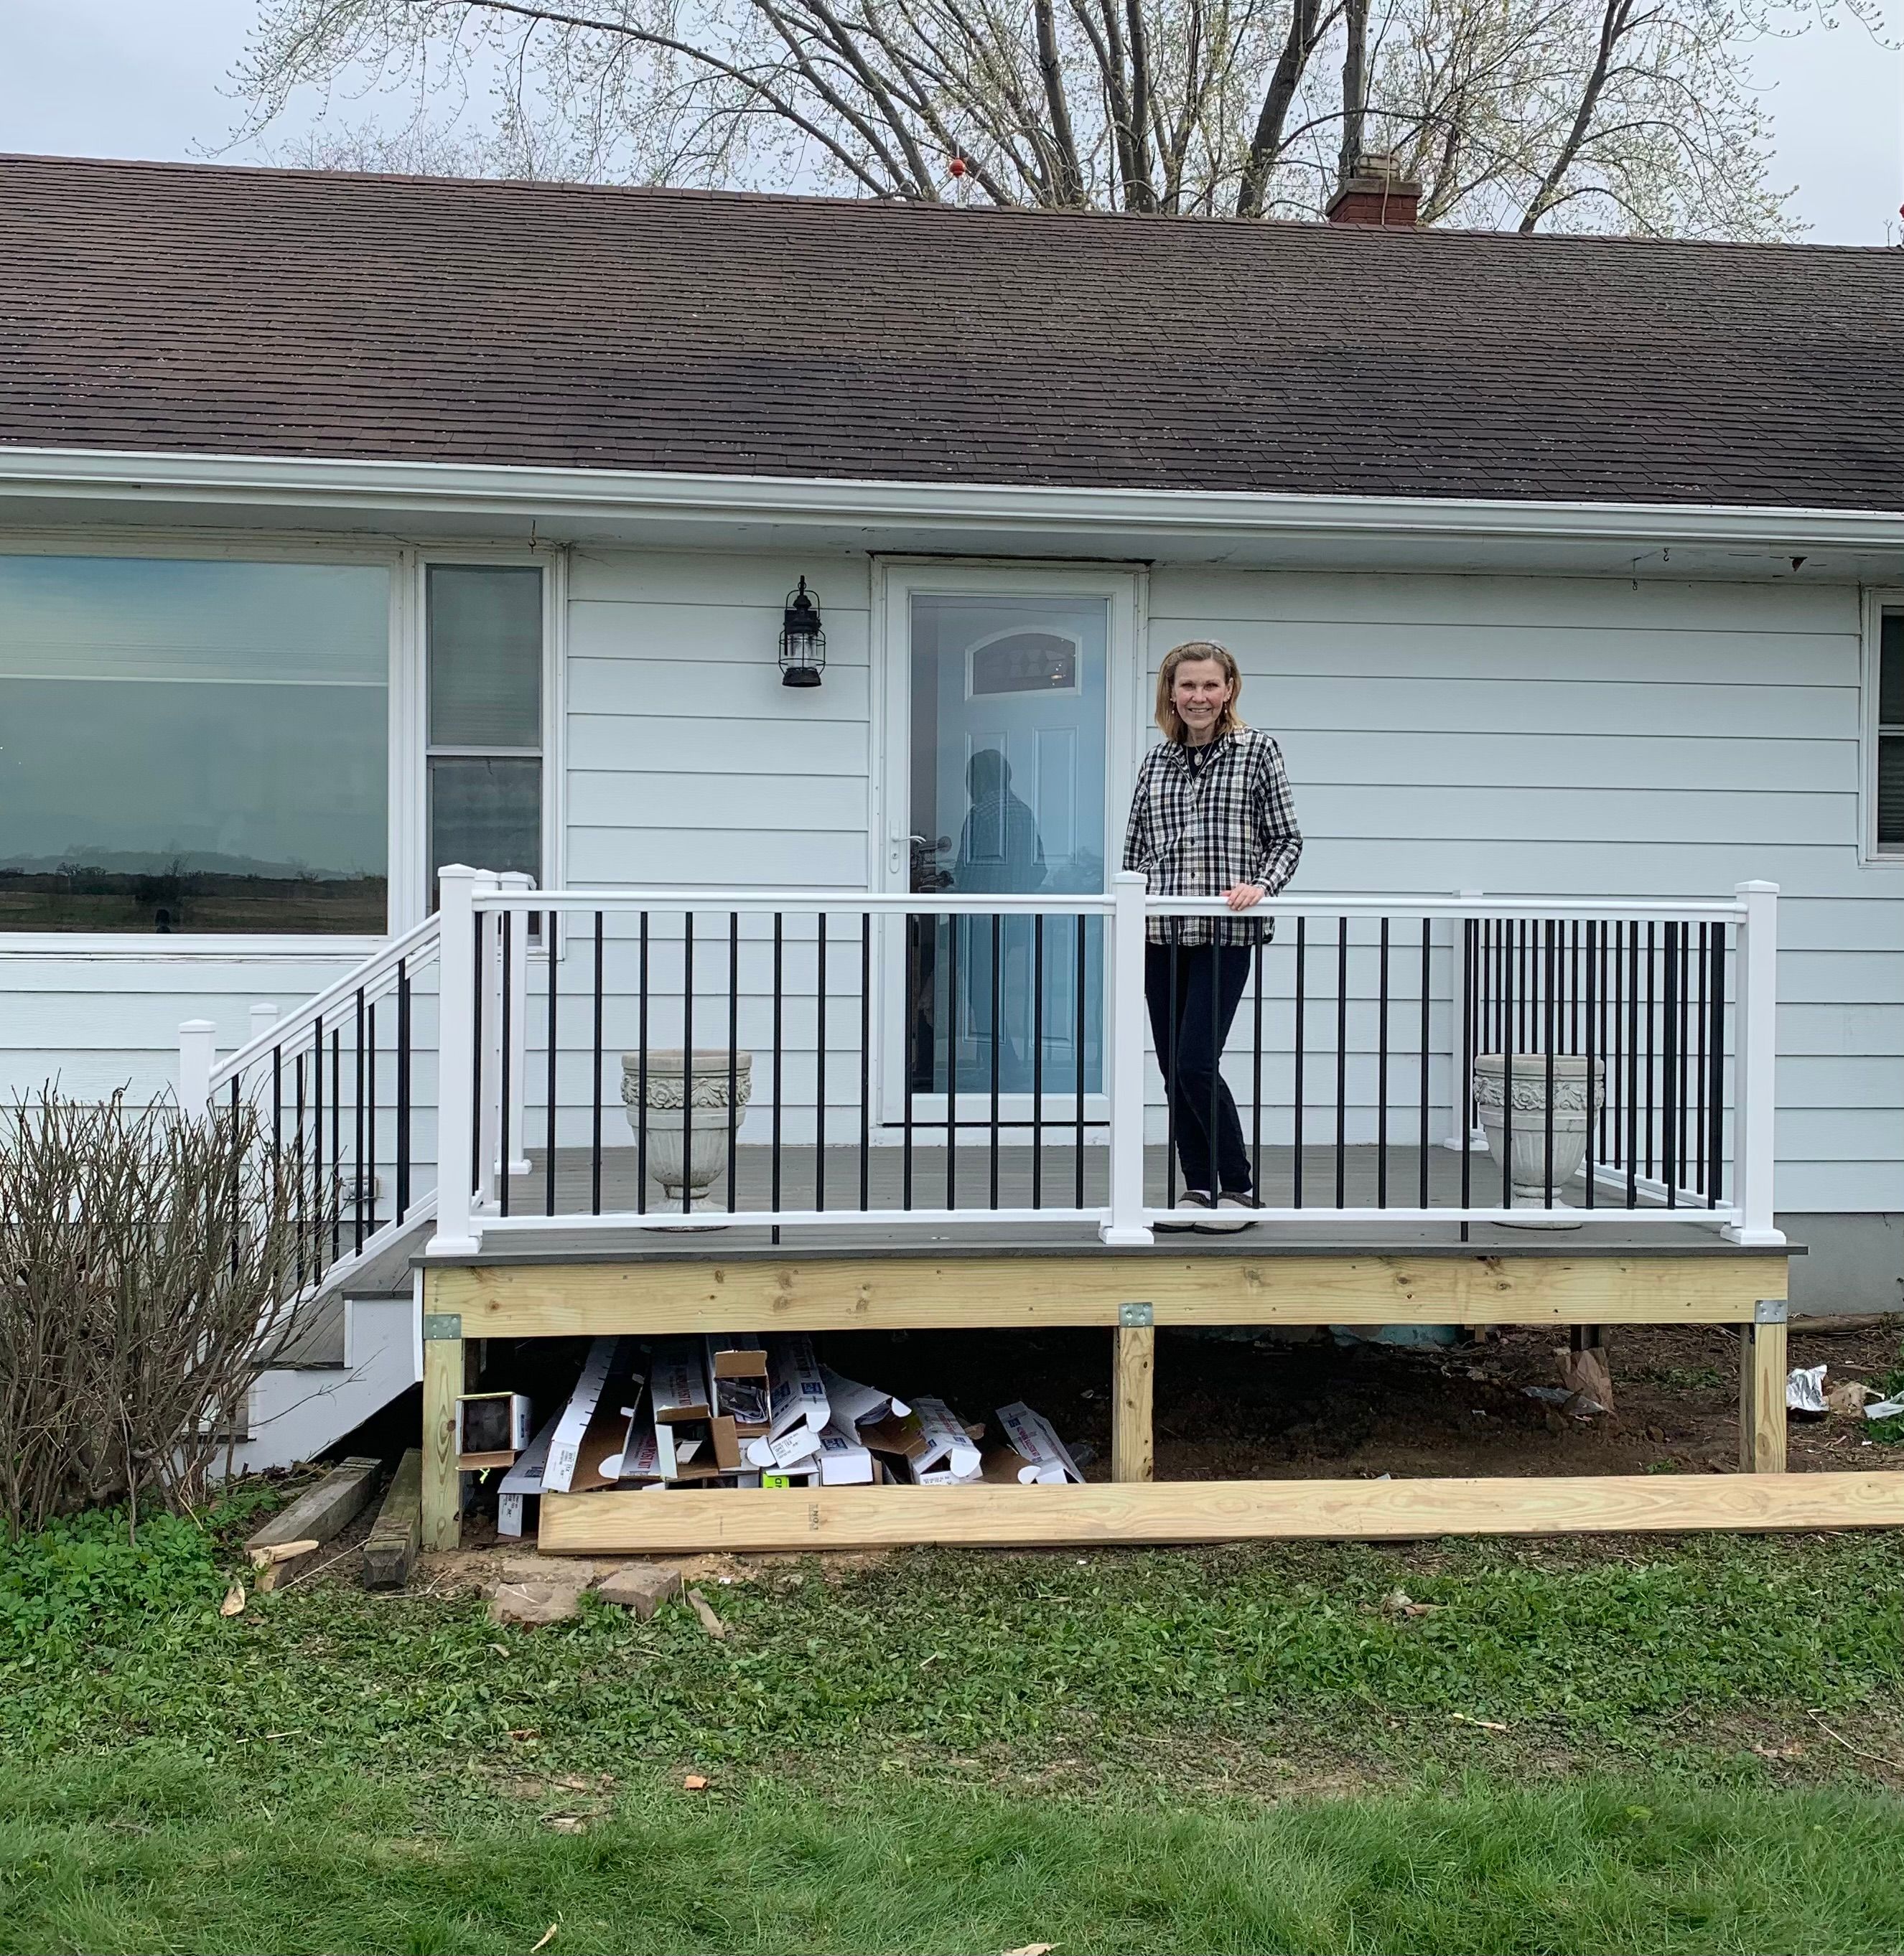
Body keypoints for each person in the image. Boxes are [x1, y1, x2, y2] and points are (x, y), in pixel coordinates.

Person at [1122, 640, 1302, 1232]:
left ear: (1229, 690)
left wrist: (1262, 884)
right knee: (1174, 1070)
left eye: (1209, 685)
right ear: (1170, 693)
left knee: (1197, 1060)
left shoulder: (1257, 751)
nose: (1198, 697)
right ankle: (1198, 1188)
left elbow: (1287, 839)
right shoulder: (1156, 763)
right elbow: (1136, 850)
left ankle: (1240, 1187)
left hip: (1226, 932)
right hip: (1161, 934)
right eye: (1187, 686)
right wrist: (1131, 907)